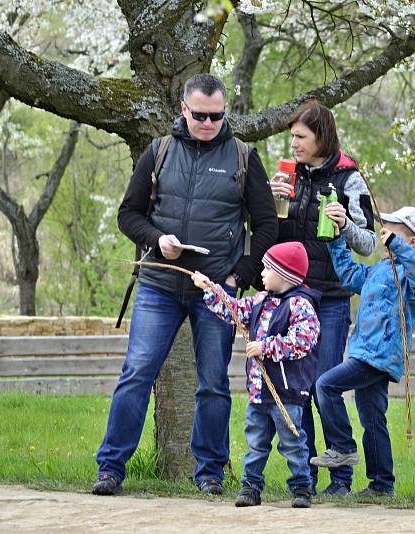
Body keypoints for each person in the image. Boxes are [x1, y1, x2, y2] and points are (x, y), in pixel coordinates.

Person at [92, 74, 278, 496]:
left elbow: (266, 226)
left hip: (216, 291)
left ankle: (210, 472)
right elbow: (128, 214)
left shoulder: (244, 157)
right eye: (200, 116)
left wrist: (238, 278)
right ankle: (110, 469)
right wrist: (156, 239)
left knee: (213, 381)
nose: (208, 123)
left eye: (216, 116)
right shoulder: (158, 152)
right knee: (137, 373)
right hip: (159, 283)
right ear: (183, 109)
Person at [269, 101, 376, 496]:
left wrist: (344, 223)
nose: (293, 143)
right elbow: (270, 238)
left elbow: (367, 244)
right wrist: (268, 203)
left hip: (330, 297)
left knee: (322, 384)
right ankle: (306, 475)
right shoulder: (287, 176)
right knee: (296, 387)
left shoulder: (349, 180)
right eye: (292, 136)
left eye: (301, 136)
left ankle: (342, 477)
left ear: (321, 138)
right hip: (294, 296)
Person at [310, 206, 415, 497]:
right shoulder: (379, 270)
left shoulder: (412, 273)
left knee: (325, 385)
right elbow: (350, 274)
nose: (383, 234)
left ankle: (342, 447)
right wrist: (336, 239)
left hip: (380, 355)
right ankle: (382, 485)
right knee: (373, 417)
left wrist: (397, 245)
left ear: (411, 241)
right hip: (364, 352)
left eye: (391, 230)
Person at [191, 241, 321, 508]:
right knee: (256, 443)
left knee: (293, 443)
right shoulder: (260, 300)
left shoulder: (301, 305)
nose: (261, 273)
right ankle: (251, 487)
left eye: (266, 268)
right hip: (258, 393)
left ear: (284, 274)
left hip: (287, 393)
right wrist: (211, 289)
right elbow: (235, 311)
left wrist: (266, 347)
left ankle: (301, 488)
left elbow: (303, 341)